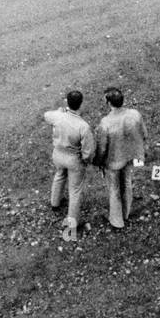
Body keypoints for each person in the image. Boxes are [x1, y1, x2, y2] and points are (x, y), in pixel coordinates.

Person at [94, 88, 148, 231]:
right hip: (130, 156)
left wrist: (98, 162)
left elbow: (102, 148)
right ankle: (126, 213)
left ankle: (117, 221)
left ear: (108, 102)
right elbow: (144, 133)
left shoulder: (105, 122)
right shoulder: (135, 114)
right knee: (127, 183)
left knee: (114, 189)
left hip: (113, 161)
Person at [44, 89, 95, 238]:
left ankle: (55, 202)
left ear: (67, 102)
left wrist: (60, 111)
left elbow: (46, 115)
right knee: (75, 191)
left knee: (59, 175)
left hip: (58, 154)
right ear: (81, 104)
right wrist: (86, 161)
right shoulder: (83, 126)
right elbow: (88, 151)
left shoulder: (58, 116)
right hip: (73, 158)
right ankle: (72, 225)